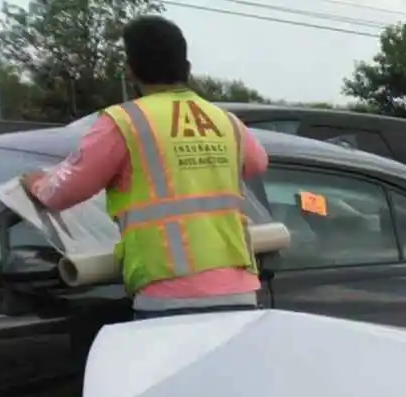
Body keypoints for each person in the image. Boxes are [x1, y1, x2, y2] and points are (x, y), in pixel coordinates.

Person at [20, 16, 269, 315]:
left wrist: (35, 183)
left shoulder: (125, 122)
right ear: (186, 68)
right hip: (239, 289)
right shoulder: (224, 120)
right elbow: (256, 164)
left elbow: (61, 192)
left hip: (168, 291)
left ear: (131, 71)